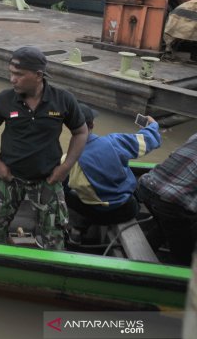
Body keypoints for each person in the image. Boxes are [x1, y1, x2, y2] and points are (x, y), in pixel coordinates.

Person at [0, 46, 88, 249]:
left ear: (38, 75)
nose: (12, 79)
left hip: (47, 179)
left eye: (19, 74)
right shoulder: (4, 99)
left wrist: (65, 168)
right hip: (10, 177)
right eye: (11, 73)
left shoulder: (63, 100)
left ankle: (51, 271)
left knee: (54, 234)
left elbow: (81, 132)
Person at [64, 104, 161, 231]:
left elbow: (62, 187)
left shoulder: (67, 160)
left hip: (98, 215)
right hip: (127, 208)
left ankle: (78, 229)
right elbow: (149, 140)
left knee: (66, 193)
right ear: (92, 125)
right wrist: (153, 126)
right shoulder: (115, 142)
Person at [137, 133, 197, 265]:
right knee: (184, 256)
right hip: (170, 202)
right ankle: (179, 269)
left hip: (147, 187)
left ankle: (142, 256)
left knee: (167, 225)